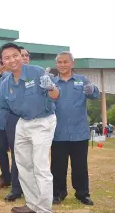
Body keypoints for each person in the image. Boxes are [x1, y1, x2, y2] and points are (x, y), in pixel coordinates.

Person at [0, 43, 60, 213]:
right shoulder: (5, 83)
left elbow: (55, 96)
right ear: (2, 62)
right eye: (7, 58)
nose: (12, 60)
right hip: (23, 122)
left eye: (15, 55)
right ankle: (32, 204)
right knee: (23, 165)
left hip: (43, 121)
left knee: (40, 166)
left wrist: (51, 87)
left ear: (21, 56)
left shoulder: (36, 71)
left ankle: (44, 209)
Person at [51, 51, 98, 206]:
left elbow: (94, 94)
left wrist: (93, 90)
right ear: (56, 64)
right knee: (58, 167)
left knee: (80, 166)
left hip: (79, 132)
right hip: (58, 132)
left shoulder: (82, 80)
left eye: (66, 62)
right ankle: (58, 193)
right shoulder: (51, 82)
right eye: (59, 62)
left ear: (72, 63)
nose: (63, 65)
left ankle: (82, 194)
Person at [4, 46, 31, 202]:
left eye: (25, 55)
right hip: (14, 119)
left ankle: (34, 190)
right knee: (17, 155)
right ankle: (16, 189)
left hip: (36, 121)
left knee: (35, 158)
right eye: (21, 55)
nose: (23, 57)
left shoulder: (37, 74)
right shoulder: (8, 79)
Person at [0, 57, 11, 190]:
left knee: (18, 153)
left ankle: (19, 181)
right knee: (0, 150)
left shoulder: (12, 78)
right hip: (0, 123)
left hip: (14, 121)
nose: (0, 69)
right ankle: (6, 177)